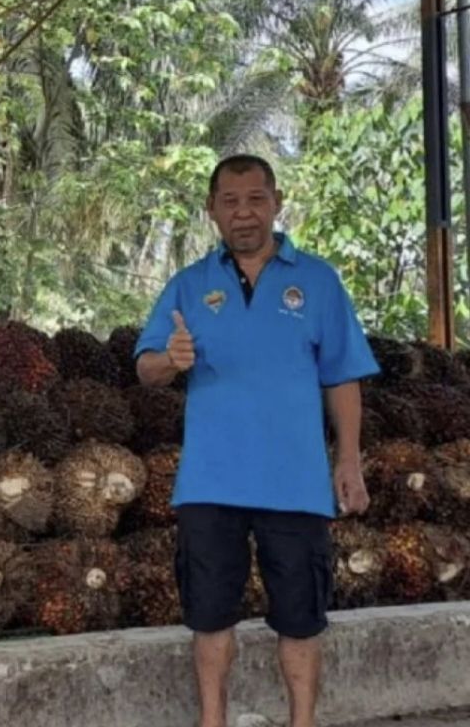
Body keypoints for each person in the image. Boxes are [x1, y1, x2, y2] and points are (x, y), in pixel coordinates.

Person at [133, 154, 380, 727]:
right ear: (212, 210)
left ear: (276, 201)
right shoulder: (189, 285)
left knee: (301, 617)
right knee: (210, 616)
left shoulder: (317, 281)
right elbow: (146, 367)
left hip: (295, 483)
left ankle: (302, 721)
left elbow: (341, 376)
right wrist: (169, 362)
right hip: (210, 482)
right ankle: (212, 721)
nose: (243, 212)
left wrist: (348, 461)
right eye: (229, 201)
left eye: (255, 199)